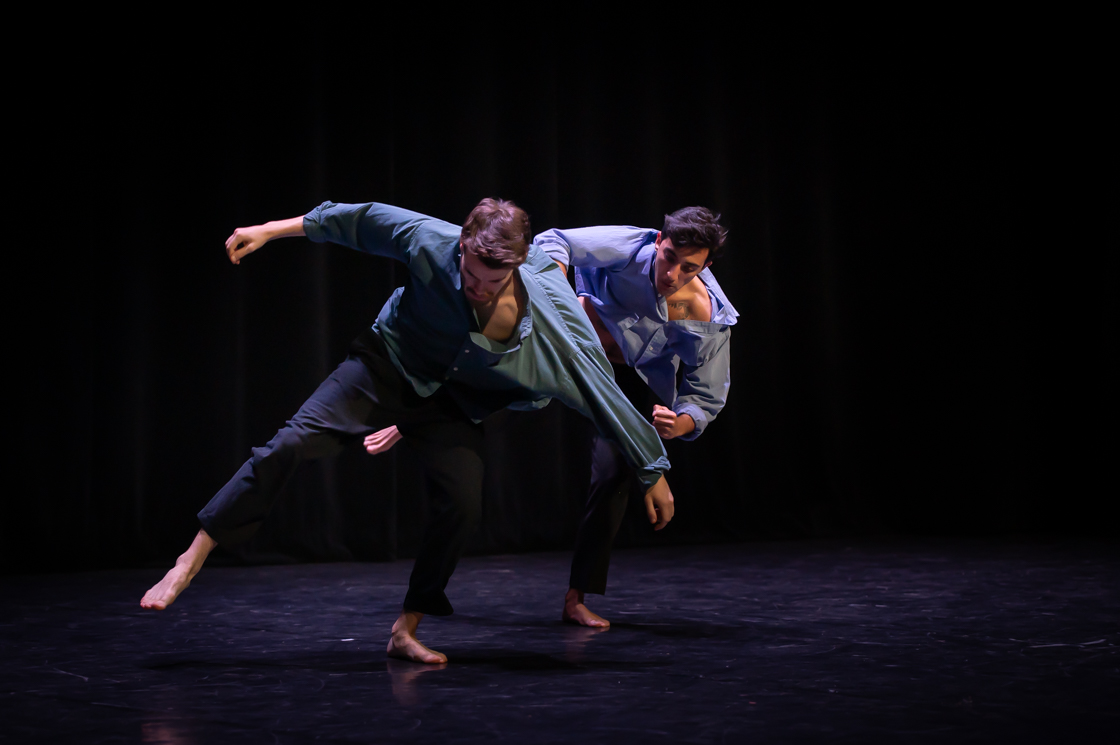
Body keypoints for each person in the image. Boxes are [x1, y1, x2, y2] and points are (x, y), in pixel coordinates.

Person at [140, 199, 675, 664]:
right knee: (292, 442)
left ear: (514, 267)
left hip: (449, 399)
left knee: (463, 504)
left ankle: (406, 630)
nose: (479, 290)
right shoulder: (430, 240)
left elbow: (597, 385)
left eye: (493, 282)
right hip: (388, 366)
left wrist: (651, 467)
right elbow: (357, 220)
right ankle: (192, 559)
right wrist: (269, 231)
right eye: (470, 275)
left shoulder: (551, 307)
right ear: (463, 244)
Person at [534, 207, 736, 627]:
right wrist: (558, 297)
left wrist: (681, 422)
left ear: (705, 267)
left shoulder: (694, 305)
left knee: (611, 476)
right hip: (575, 351)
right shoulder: (630, 249)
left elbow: (705, 390)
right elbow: (556, 241)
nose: (672, 275)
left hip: (628, 381)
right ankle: (412, 417)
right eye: (669, 259)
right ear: (659, 241)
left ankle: (577, 598)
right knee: (500, 376)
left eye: (689, 268)